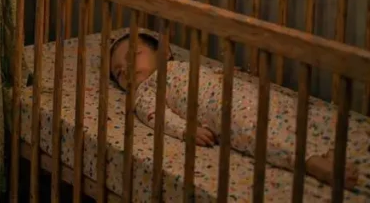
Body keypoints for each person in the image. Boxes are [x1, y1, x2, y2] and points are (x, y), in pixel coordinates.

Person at [109, 32, 368, 193]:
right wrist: (187, 130)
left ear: (164, 52)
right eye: (119, 73)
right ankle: (311, 162)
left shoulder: (180, 64)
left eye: (133, 56)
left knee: (289, 109)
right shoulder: (144, 92)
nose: (127, 70)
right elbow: (157, 116)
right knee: (260, 134)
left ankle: (334, 142)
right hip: (223, 112)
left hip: (241, 93)